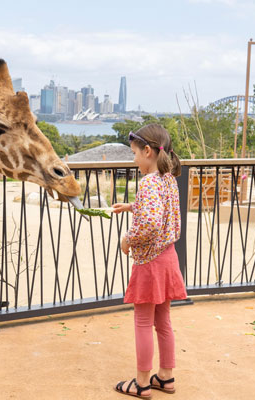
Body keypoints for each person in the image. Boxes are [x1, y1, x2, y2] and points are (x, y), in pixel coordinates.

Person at [111, 124, 187, 398]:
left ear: (147, 151)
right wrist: (131, 206)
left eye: (134, 153)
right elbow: (161, 208)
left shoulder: (147, 182)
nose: (133, 159)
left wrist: (127, 239)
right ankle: (165, 377)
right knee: (163, 320)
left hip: (150, 262)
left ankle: (141, 382)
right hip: (168, 258)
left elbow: (152, 223)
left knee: (143, 321)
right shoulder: (168, 178)